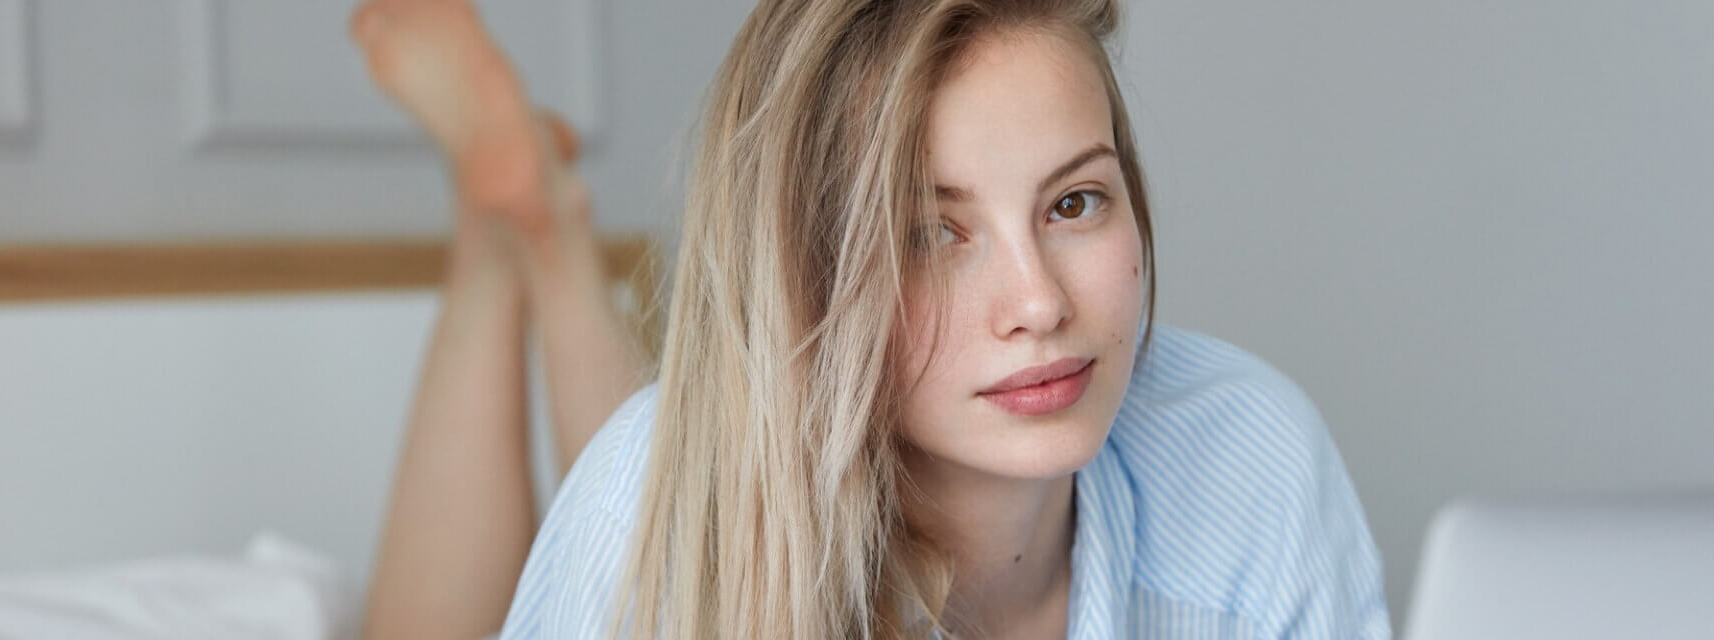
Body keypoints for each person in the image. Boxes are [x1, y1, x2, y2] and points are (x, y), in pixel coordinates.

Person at [354, 0, 1391, 638]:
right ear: (806, 273)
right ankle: (525, 234)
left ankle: (522, 224)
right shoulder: (642, 508)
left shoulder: (1254, 457)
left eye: (1075, 203)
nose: (1040, 303)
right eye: (929, 233)